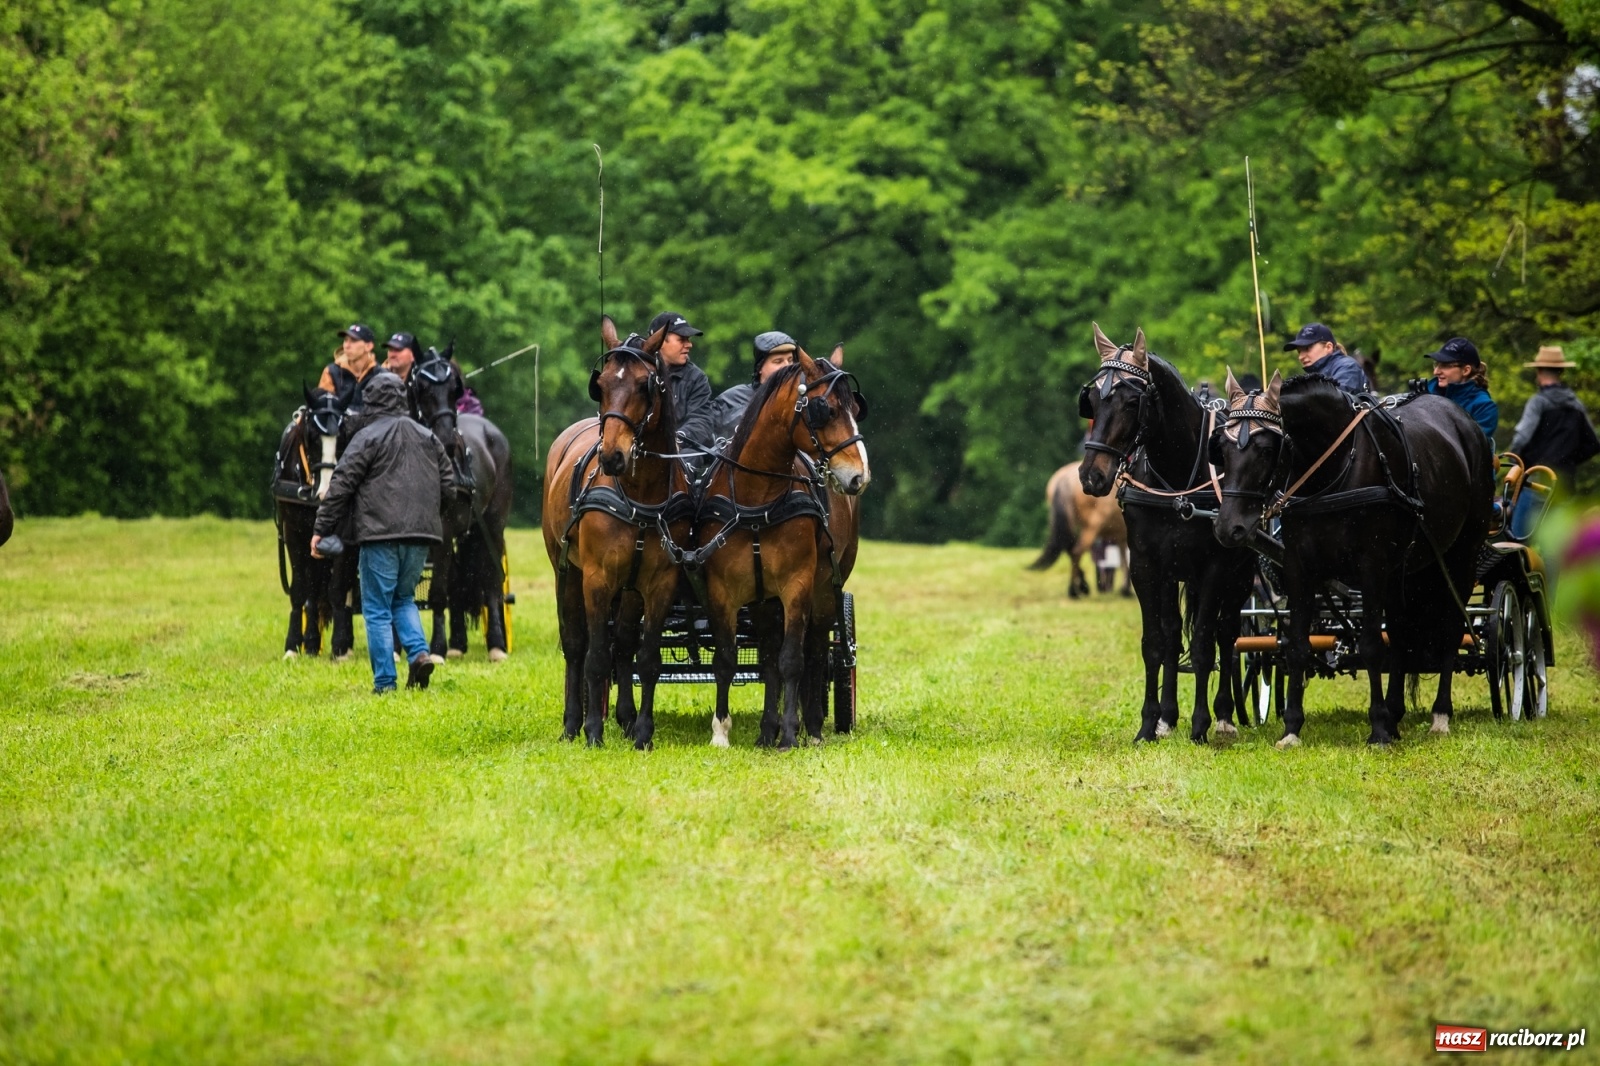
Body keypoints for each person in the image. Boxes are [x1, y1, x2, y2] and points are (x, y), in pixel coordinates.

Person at [311, 372, 455, 695]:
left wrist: (321, 529)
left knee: (376, 606)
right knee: (404, 598)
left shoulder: (366, 436)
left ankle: (385, 683)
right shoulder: (426, 435)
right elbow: (449, 486)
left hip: (379, 536)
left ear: (370, 401)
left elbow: (340, 485)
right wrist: (428, 515)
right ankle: (418, 653)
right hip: (421, 536)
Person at [1507, 345, 1600, 537]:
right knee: (1555, 549)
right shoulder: (1576, 404)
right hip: (1564, 485)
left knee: (1517, 542)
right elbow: (1593, 444)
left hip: (1535, 481)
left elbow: (1521, 438)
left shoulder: (1538, 402)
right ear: (1562, 371)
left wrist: (1516, 465)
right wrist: (1568, 459)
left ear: (1539, 371)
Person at [712, 330, 801, 441]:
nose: (787, 367)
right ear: (760, 368)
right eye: (778, 361)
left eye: (790, 360)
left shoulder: (802, 401)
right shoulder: (729, 401)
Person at [648, 311, 715, 451]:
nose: (689, 345)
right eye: (682, 339)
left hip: (682, 451)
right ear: (659, 341)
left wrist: (677, 440)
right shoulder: (638, 374)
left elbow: (701, 421)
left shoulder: (696, 378)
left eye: (688, 339)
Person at [1424, 336, 1498, 443]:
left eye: (1445, 365)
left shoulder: (1484, 407)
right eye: (1436, 364)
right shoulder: (1424, 393)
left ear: (1466, 370)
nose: (1436, 371)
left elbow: (1471, 450)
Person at [1284, 322, 1368, 393]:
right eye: (1299, 352)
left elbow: (1337, 402)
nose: (1300, 357)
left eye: (1307, 348)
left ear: (1328, 347)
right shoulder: (1310, 377)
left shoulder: (1348, 366)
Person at [318, 323, 382, 412]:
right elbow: (324, 406)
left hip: (372, 425)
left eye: (353, 341)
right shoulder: (331, 371)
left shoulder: (381, 375)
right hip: (340, 424)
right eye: (345, 340)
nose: (347, 346)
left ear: (368, 346)